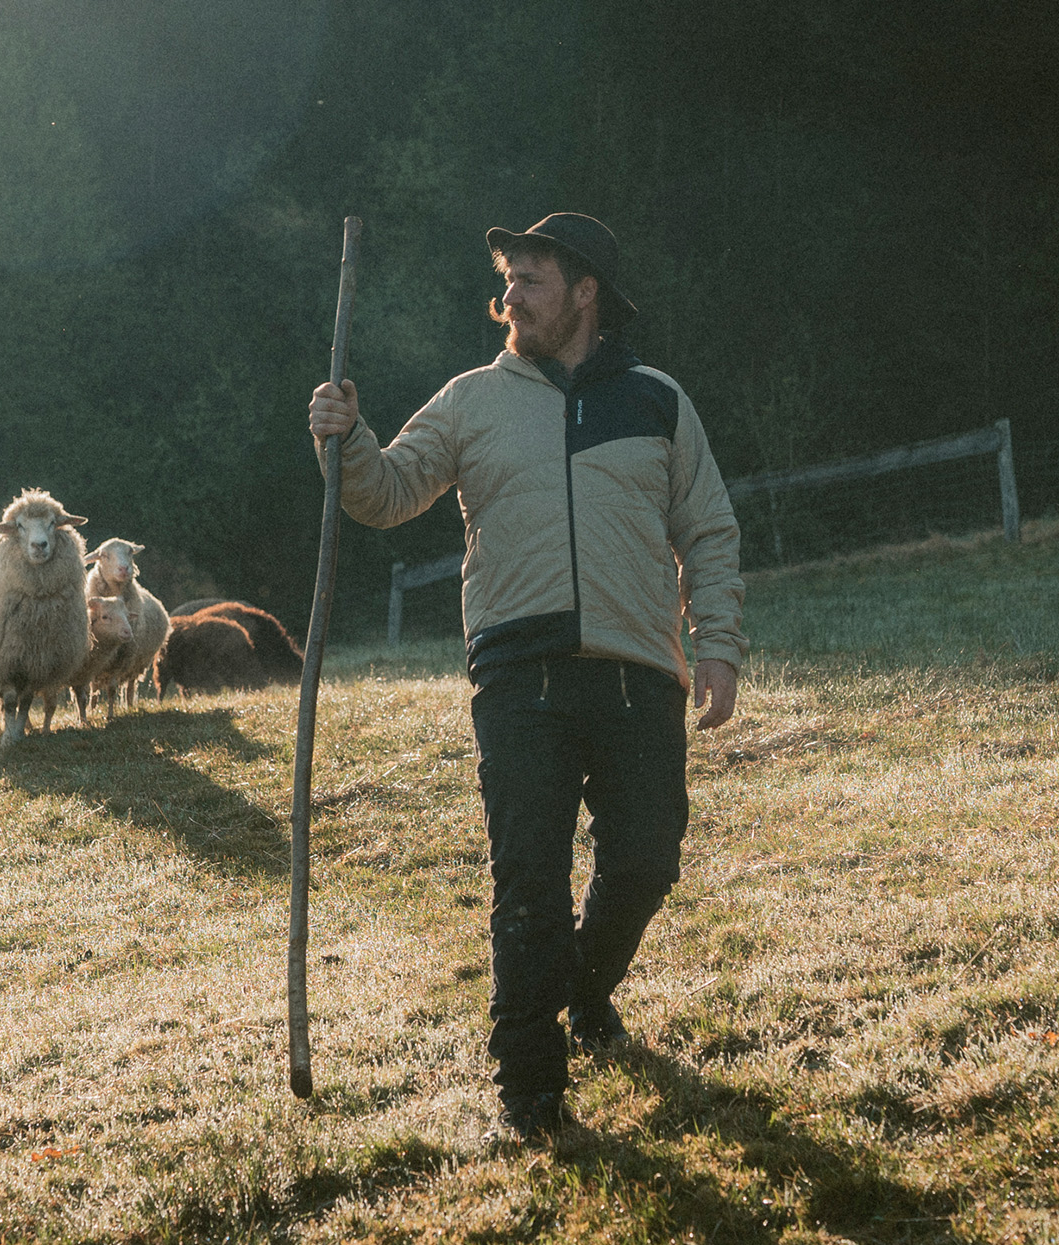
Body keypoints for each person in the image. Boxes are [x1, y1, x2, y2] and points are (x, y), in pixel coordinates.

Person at [303, 212, 744, 1145]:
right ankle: (530, 1092)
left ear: (585, 292)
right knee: (529, 883)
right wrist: (345, 438)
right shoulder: (470, 400)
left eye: (531, 279)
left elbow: (706, 529)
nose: (511, 296)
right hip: (518, 677)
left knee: (646, 859)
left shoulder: (657, 399)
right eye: (508, 279)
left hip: (639, 673)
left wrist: (718, 644)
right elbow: (384, 492)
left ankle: (585, 992)